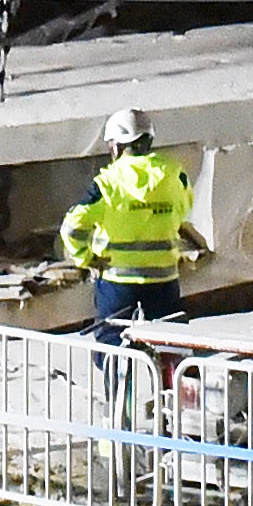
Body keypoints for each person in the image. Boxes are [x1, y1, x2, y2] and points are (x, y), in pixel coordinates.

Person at [62, 108, 201, 338]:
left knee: (113, 351)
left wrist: (86, 259)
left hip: (118, 284)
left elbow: (72, 228)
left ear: (116, 146)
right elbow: (184, 208)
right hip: (164, 281)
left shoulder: (108, 183)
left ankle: (119, 374)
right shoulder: (175, 175)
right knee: (170, 345)